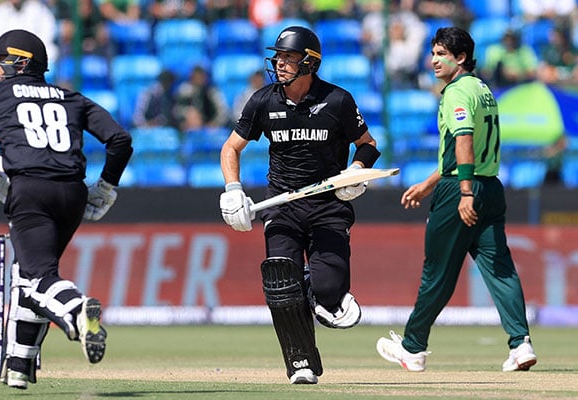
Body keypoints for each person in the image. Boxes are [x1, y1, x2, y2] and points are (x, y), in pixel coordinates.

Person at [0, 29, 133, 389]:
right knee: (32, 273)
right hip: (73, 193)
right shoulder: (70, 96)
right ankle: (20, 364)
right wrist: (107, 185)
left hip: (30, 191)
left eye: (2, 62)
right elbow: (120, 139)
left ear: (21, 62)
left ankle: (78, 310)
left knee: (37, 281)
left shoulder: (1, 94)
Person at [219, 26, 380, 384]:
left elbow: (368, 145)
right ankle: (300, 363)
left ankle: (314, 286)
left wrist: (356, 172)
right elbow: (231, 148)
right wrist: (232, 189)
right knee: (280, 284)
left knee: (329, 295)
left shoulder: (338, 100)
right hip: (282, 207)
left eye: (288, 58)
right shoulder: (263, 100)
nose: (279, 64)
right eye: (278, 57)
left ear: (310, 62)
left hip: (328, 207)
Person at [375, 26, 538, 373]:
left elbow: (463, 141)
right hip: (490, 186)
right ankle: (520, 344)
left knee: (436, 273)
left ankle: (412, 348)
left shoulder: (456, 92)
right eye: (432, 53)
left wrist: (463, 192)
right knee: (500, 269)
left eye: (440, 54)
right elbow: (465, 151)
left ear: (460, 57)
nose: (433, 60)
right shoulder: (483, 89)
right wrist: (429, 183)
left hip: (461, 191)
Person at [174, 65, 230, 131]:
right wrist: (187, 115)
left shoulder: (212, 92)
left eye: (200, 77)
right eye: (195, 77)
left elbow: (223, 112)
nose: (198, 79)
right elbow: (176, 110)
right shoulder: (184, 91)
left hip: (210, 129)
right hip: (188, 129)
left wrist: (214, 123)